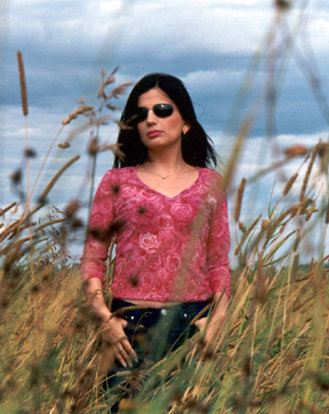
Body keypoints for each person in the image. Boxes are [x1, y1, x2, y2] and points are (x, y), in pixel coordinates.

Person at [81, 73, 231, 408]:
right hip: (129, 330)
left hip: (192, 325)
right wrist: (104, 317)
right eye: (141, 114)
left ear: (186, 122)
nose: (151, 119)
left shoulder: (211, 184)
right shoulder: (116, 182)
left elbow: (219, 261)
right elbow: (93, 258)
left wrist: (216, 321)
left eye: (162, 110)